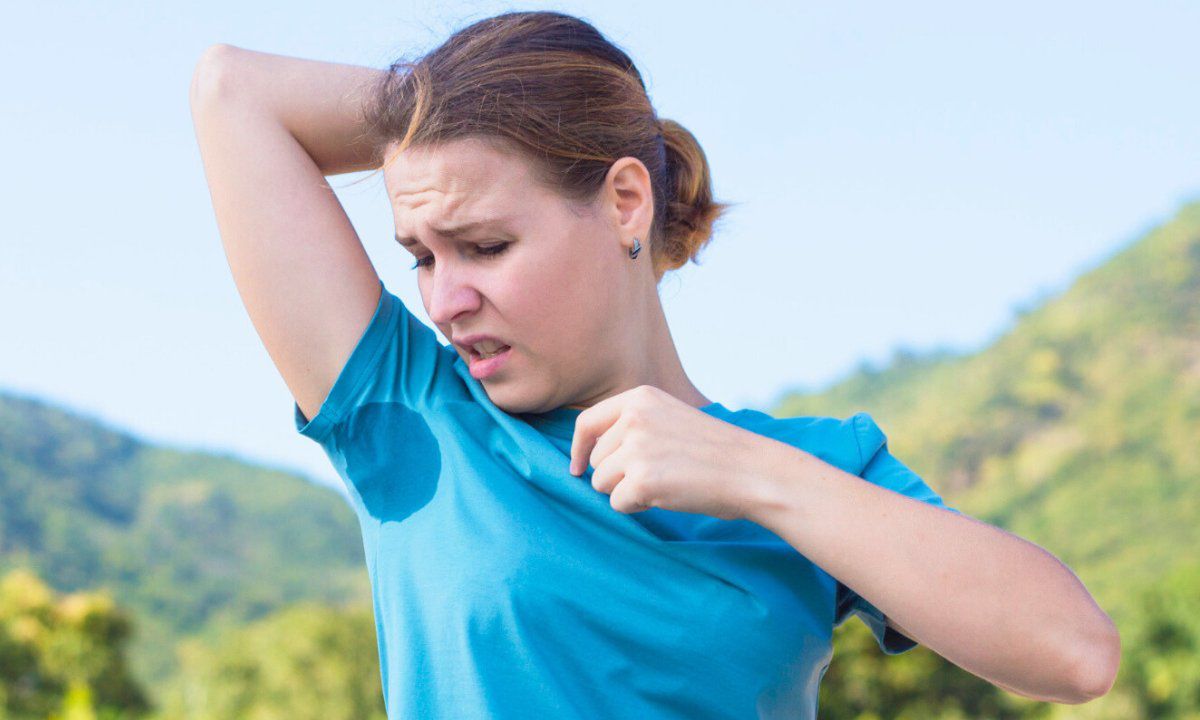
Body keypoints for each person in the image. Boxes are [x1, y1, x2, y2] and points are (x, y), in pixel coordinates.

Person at [190, 10, 1118, 718]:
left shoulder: (814, 468)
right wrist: (465, 110)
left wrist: (751, 475)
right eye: (422, 257)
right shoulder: (410, 413)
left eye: (483, 244)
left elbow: (1073, 654)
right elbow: (233, 92)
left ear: (625, 202)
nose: (443, 300)